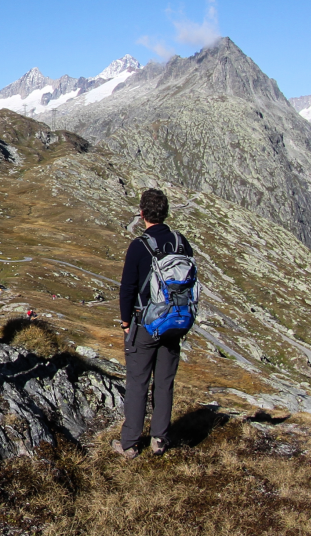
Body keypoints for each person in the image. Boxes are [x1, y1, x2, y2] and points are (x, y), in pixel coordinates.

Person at [113, 188, 194, 459]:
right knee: (164, 381)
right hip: (174, 322)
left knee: (137, 382)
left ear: (142, 212)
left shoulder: (139, 246)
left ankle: (130, 443)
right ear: (166, 212)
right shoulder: (181, 243)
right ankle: (160, 438)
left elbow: (128, 288)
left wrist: (126, 322)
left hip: (144, 324)